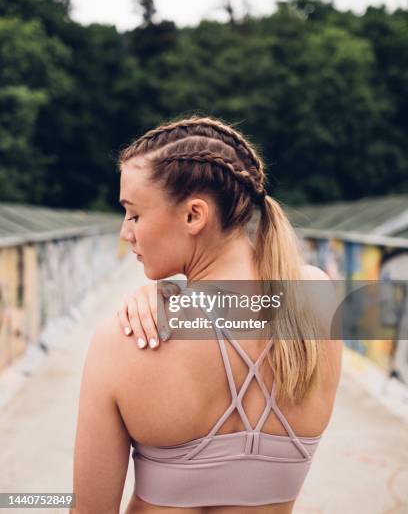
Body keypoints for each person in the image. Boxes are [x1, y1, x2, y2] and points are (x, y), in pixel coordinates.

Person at [71, 115, 342, 514]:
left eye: (133, 214)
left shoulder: (124, 340)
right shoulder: (316, 301)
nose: (125, 232)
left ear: (194, 215)